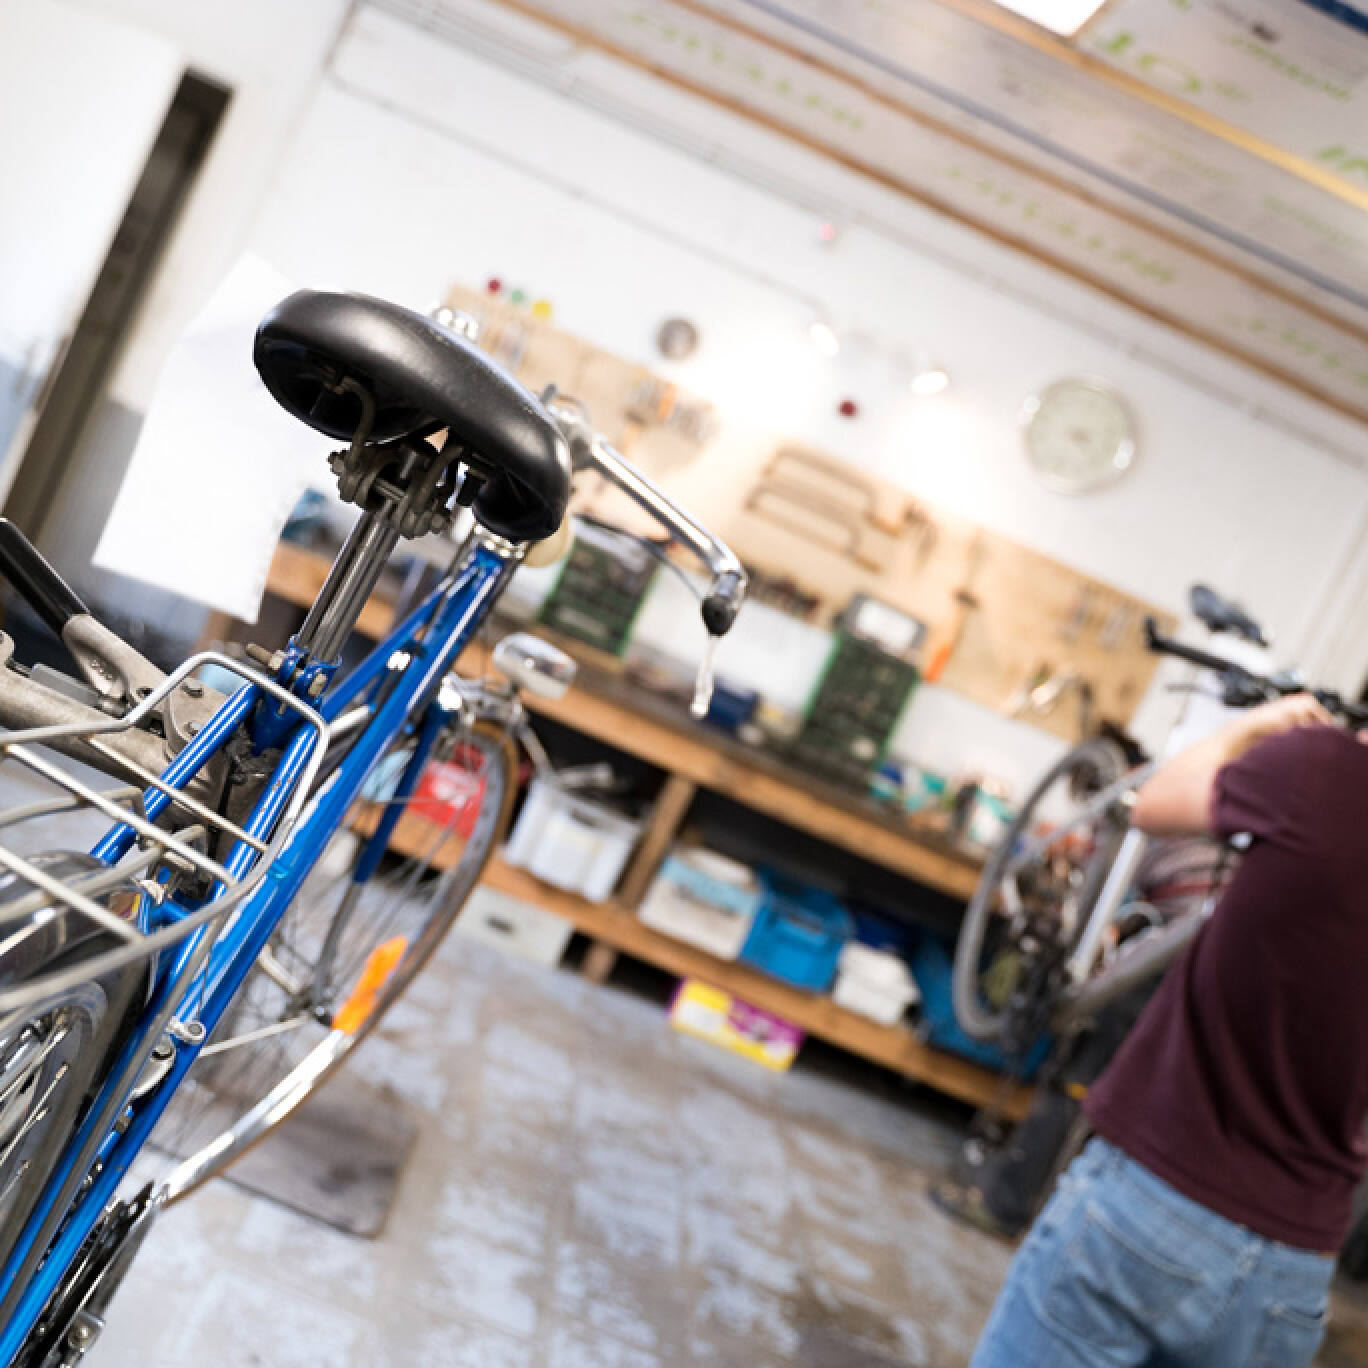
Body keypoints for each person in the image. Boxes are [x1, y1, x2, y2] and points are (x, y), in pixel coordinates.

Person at [971, 692, 1360, 1368]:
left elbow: (1154, 804)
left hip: (1153, 1201)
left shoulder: (1323, 770)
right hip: (1293, 1270)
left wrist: (1251, 726)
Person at [932, 838, 1231, 1241]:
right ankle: (1044, 1211)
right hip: (1186, 939)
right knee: (1102, 1083)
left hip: (1173, 943)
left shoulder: (1203, 807)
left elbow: (1143, 825)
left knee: (1077, 1078)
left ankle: (1007, 1207)